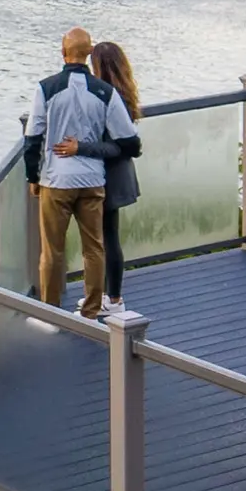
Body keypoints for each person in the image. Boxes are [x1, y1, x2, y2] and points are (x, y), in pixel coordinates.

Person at [22, 28, 138, 317]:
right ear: (88, 54)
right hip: (92, 181)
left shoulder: (46, 88)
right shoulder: (105, 92)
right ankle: (90, 310)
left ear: (63, 53)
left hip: (56, 180)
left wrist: (33, 177)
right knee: (94, 248)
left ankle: (50, 314)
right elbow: (129, 140)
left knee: (52, 251)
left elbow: (33, 137)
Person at [87, 39, 144, 309]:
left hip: (108, 173)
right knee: (108, 234)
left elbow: (119, 144)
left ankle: (112, 298)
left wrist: (82, 147)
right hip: (120, 173)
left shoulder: (107, 97)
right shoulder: (125, 95)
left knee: (106, 236)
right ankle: (109, 295)